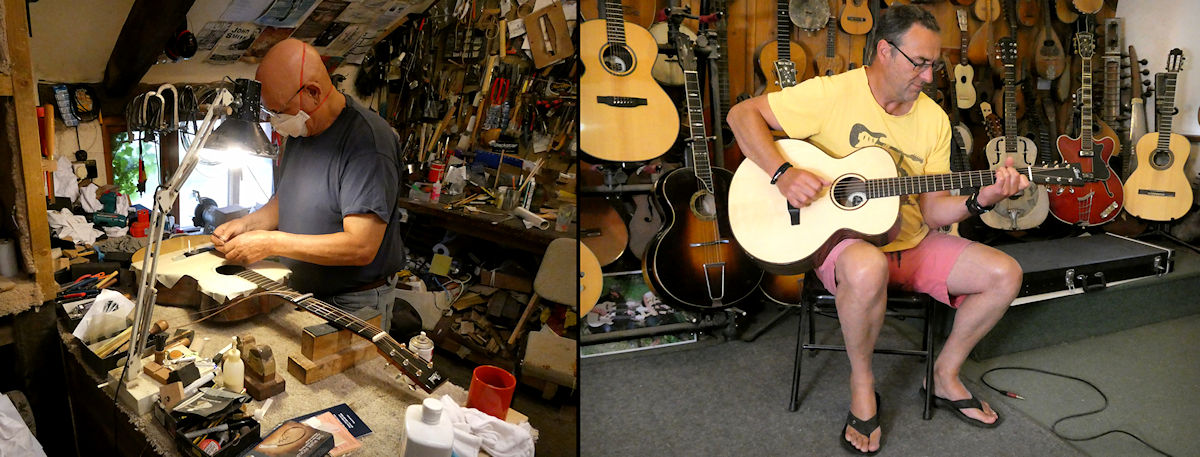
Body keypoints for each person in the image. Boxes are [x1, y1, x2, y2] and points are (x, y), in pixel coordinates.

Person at [727, 5, 1027, 454]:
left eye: (934, 65)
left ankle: (944, 376)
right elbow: (740, 116)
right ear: (885, 51)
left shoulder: (933, 120)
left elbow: (931, 213)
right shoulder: (832, 93)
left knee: (1007, 274)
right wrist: (782, 173)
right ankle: (863, 383)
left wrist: (983, 198)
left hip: (910, 242)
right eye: (919, 63)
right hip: (845, 247)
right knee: (868, 267)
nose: (928, 77)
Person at [211, 38, 405, 332]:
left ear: (313, 92)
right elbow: (285, 199)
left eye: (280, 111)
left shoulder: (368, 143)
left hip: (354, 302)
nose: (277, 122)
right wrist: (248, 225)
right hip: (302, 290)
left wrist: (271, 242)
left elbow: (361, 246)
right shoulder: (302, 132)